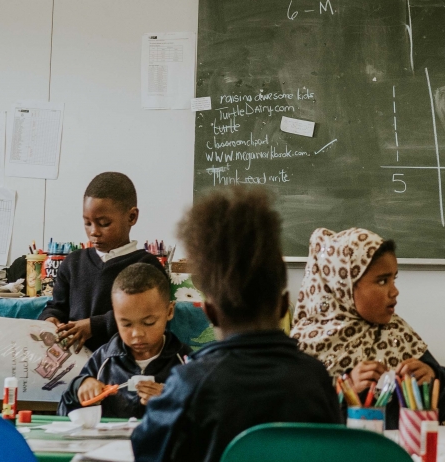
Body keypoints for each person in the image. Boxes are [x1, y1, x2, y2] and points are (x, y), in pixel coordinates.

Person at [132, 187, 341, 462]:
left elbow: (146, 451)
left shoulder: (190, 384)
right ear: (283, 306)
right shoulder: (315, 379)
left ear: (210, 312)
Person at [292, 228, 445, 428]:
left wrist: (432, 377)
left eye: (394, 279)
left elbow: (443, 408)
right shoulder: (306, 345)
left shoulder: (398, 332)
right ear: (345, 285)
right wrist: (345, 388)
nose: (394, 291)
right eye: (382, 281)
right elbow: (297, 419)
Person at [40, 172, 163, 352]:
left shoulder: (147, 266)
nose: (94, 232)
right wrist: (50, 318)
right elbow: (57, 307)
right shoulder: (73, 263)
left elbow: (147, 315)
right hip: (75, 363)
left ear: (131, 217)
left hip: (122, 362)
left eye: (104, 223)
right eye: (88, 223)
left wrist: (94, 326)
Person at [58, 263, 190, 418]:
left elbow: (206, 422)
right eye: (126, 324)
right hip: (109, 442)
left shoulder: (186, 363)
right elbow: (63, 413)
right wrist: (78, 388)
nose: (137, 334)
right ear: (115, 317)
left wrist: (173, 400)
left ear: (169, 311)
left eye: (149, 323)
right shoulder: (103, 360)